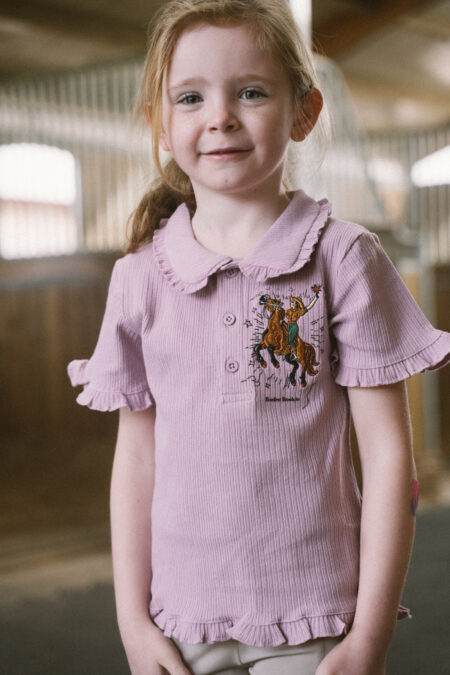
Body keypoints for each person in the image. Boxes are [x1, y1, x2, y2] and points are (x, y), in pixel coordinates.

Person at [67, 1, 450, 674]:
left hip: (314, 621)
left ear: (304, 112)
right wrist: (133, 621)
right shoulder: (138, 278)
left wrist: (369, 636)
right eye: (190, 97)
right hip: (180, 622)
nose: (220, 116)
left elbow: (390, 458)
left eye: (250, 92)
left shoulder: (343, 259)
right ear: (161, 123)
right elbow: (137, 460)